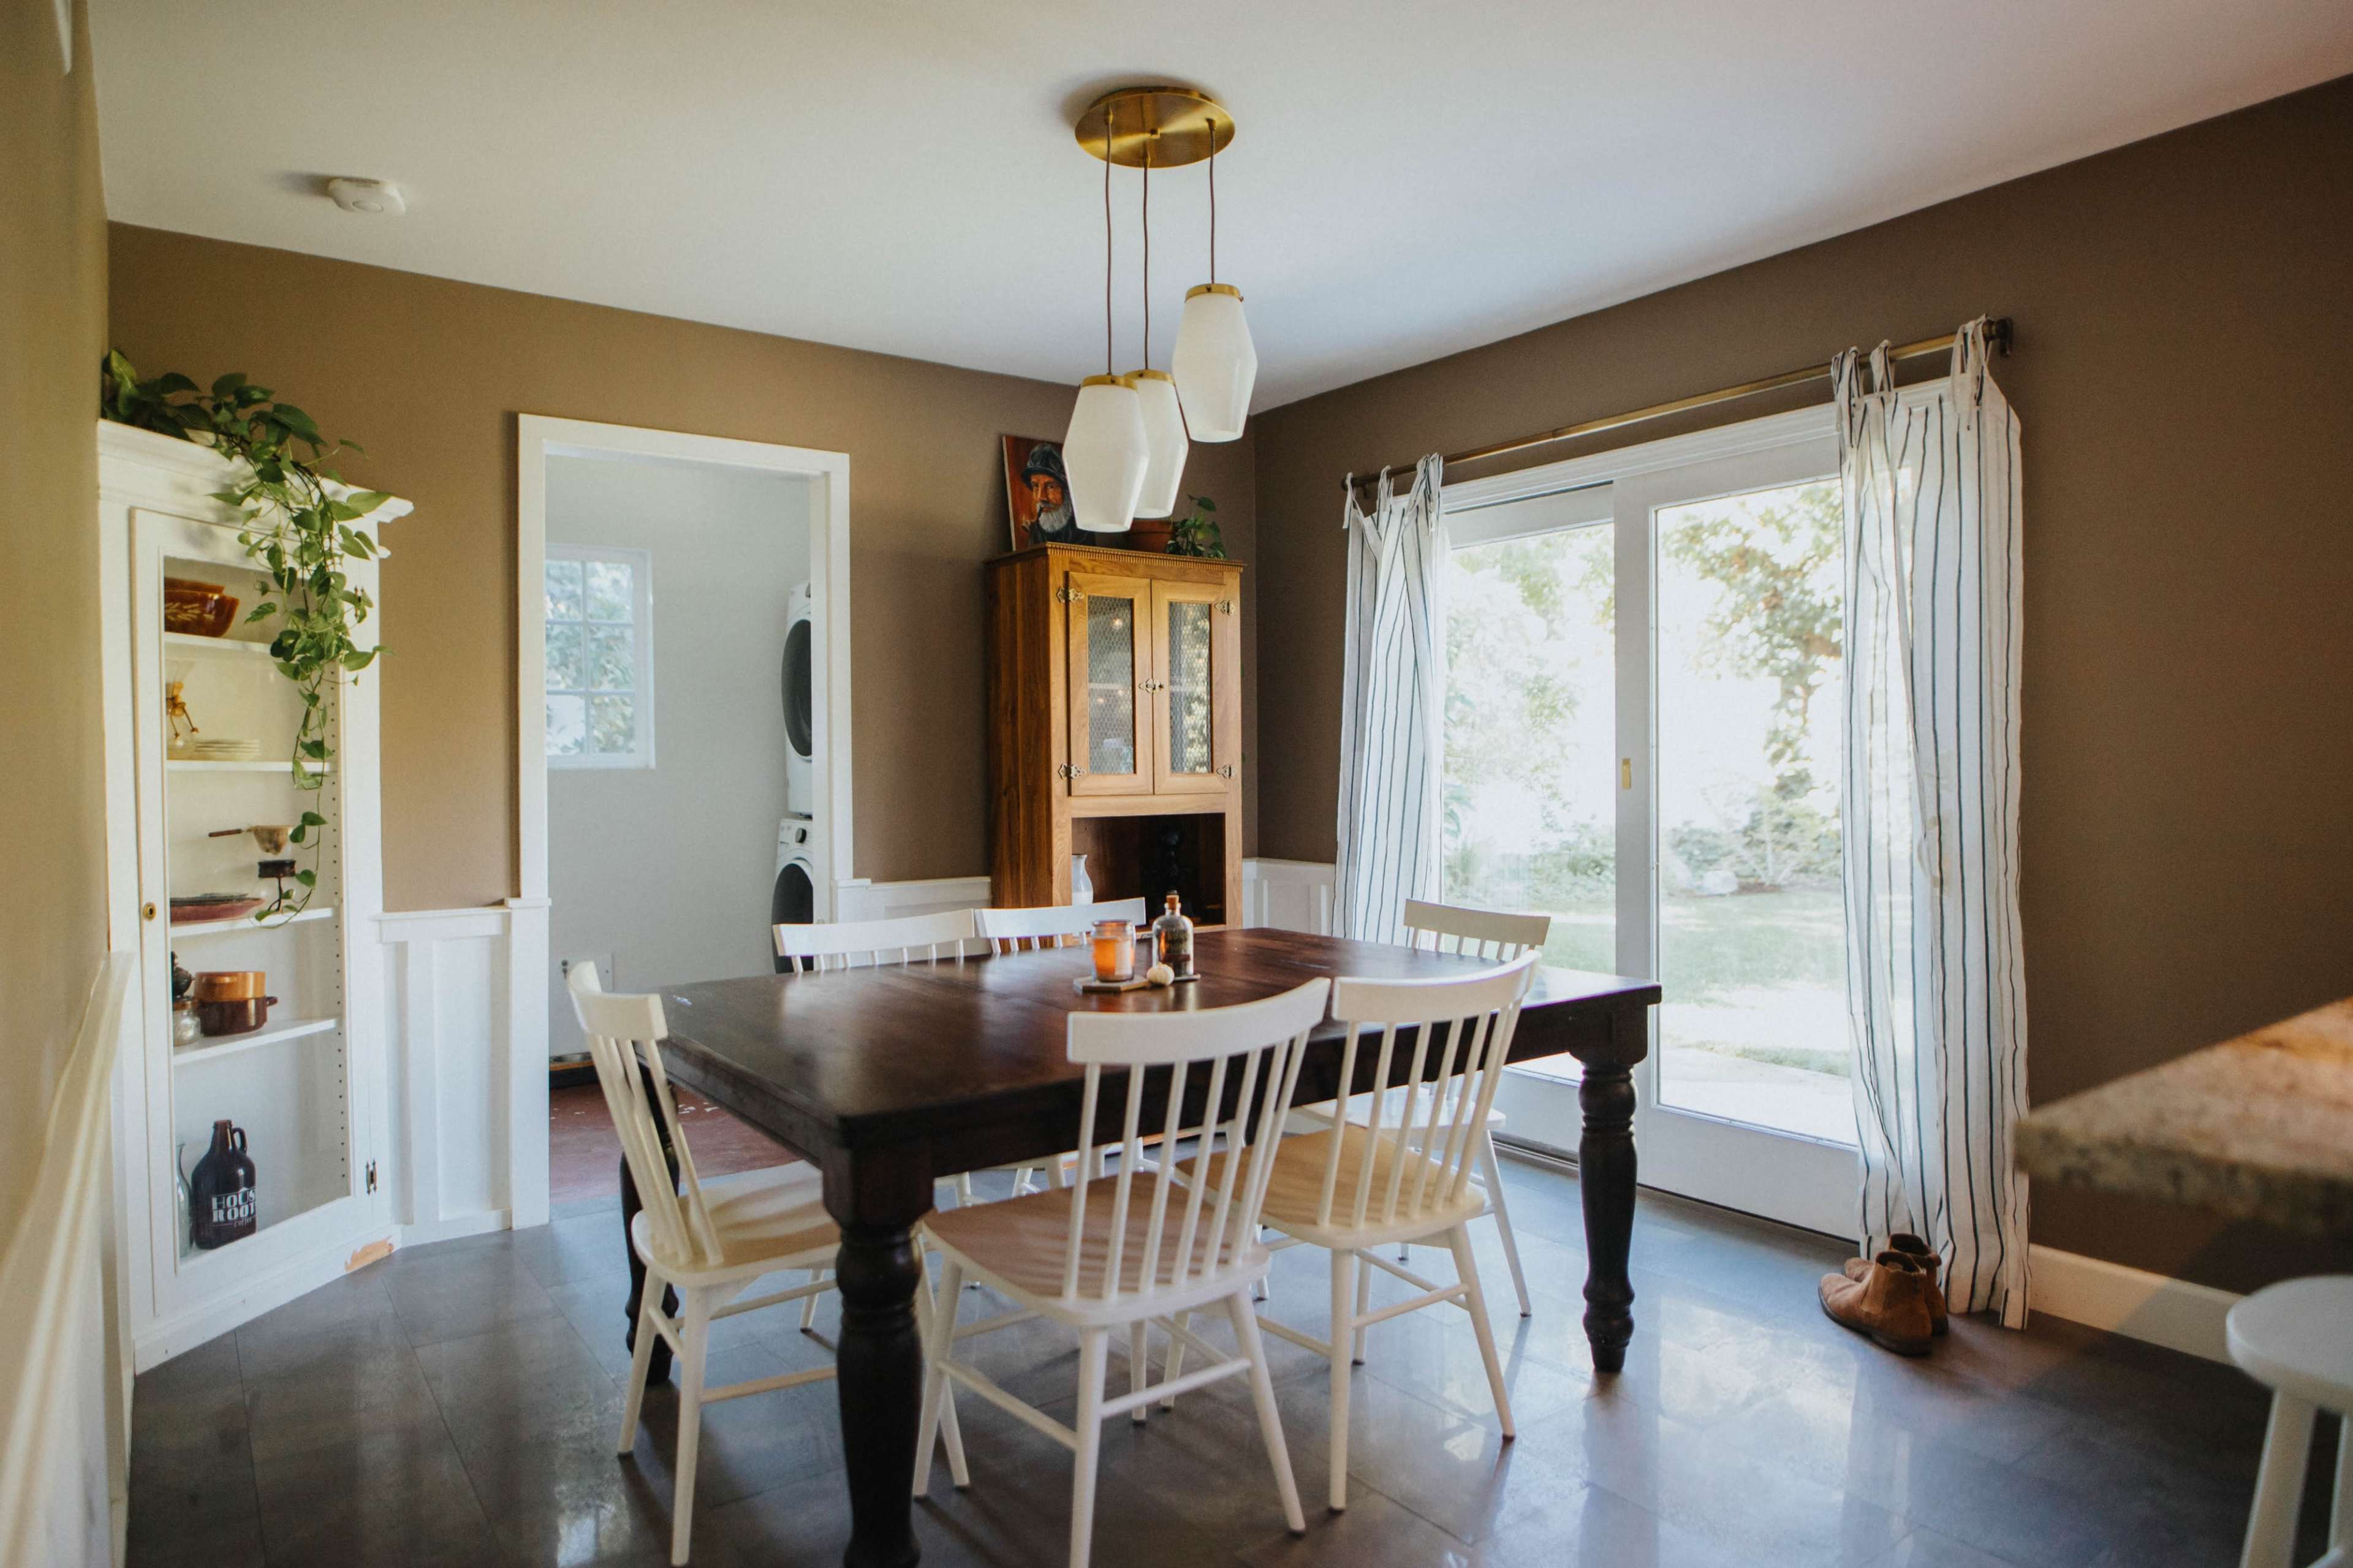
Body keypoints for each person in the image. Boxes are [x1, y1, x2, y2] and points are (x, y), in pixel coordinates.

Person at [1023, 443, 1078, 545]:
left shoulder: (1081, 532)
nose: (1040, 497)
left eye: (1051, 487)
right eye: (1035, 486)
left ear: (1066, 491)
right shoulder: (1036, 533)